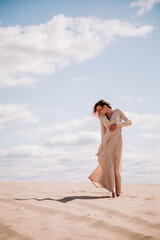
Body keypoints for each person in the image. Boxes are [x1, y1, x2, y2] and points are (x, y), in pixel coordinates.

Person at [88, 99, 132, 198]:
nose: (100, 112)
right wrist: (101, 148)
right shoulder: (102, 119)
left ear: (104, 106)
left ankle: (118, 191)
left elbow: (129, 122)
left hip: (117, 142)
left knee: (116, 168)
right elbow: (103, 135)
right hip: (107, 143)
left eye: (100, 110)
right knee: (109, 166)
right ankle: (112, 192)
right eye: (98, 111)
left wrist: (117, 124)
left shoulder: (117, 111)